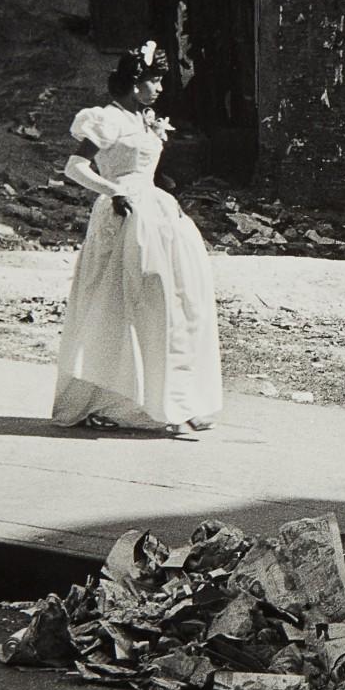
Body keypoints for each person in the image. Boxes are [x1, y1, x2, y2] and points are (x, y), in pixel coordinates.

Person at [51, 43, 222, 434]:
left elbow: (143, 166)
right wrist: (113, 191)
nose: (160, 87)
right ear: (133, 84)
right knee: (130, 305)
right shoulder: (107, 119)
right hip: (124, 214)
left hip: (155, 212)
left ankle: (178, 399)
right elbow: (74, 167)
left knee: (177, 302)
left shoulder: (144, 119)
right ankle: (124, 402)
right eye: (154, 80)